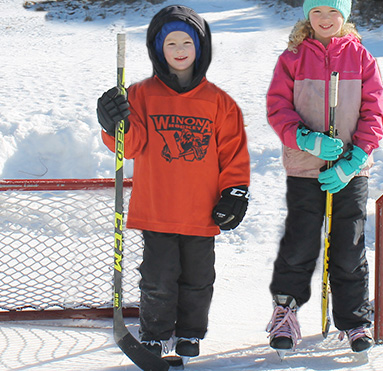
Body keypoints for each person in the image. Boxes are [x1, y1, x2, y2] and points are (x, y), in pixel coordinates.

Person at [94, 4, 250, 359]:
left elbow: (233, 155)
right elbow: (129, 146)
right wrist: (112, 124)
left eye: (187, 43)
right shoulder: (140, 95)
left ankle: (190, 334)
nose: (179, 51)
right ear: (157, 50)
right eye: (171, 44)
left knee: (198, 279)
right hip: (158, 209)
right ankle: (154, 333)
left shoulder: (220, 103)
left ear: (201, 48)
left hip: (201, 211)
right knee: (158, 278)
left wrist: (235, 193)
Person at [264, 0, 383, 354]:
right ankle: (285, 313)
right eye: (317, 11)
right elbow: (278, 108)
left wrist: (356, 158)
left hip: (350, 169)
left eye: (333, 12)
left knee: (348, 247)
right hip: (304, 166)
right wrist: (305, 138)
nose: (325, 19)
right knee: (300, 243)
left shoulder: (361, 58)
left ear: (344, 16)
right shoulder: (292, 58)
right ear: (308, 16)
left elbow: (375, 111)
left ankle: (353, 320)